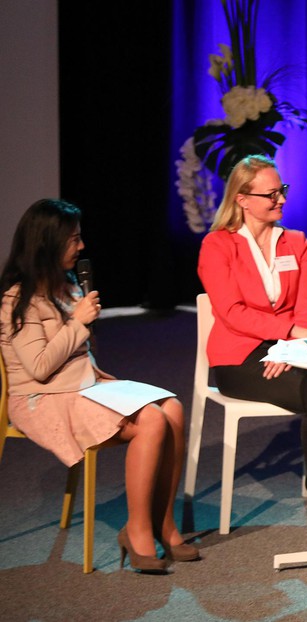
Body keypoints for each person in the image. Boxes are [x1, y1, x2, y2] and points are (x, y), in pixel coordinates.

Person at [1, 199, 194, 573]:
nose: (81, 246)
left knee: (172, 408)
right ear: (47, 244)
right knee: (152, 421)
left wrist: (78, 321)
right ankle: (136, 530)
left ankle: (163, 523)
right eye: (73, 240)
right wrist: (77, 323)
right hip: (44, 398)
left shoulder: (65, 283)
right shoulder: (17, 298)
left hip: (83, 384)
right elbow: (39, 369)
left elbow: (77, 354)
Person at [197, 155, 307, 537]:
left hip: (289, 352)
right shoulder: (218, 246)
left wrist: (288, 349)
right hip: (238, 358)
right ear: (243, 199)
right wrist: (285, 338)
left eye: (282, 190)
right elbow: (231, 312)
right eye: (271, 194)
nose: (281, 199)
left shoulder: (297, 243)